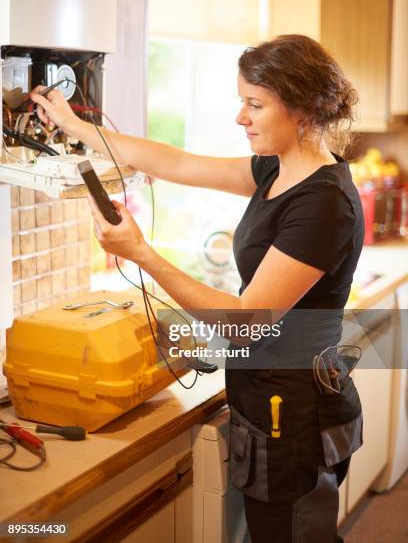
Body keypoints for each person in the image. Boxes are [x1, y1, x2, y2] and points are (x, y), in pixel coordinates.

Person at [31, 34, 364, 542]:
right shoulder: (278, 170)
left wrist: (141, 253)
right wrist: (78, 127)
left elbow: (247, 321)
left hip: (292, 413)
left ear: (302, 109)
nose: (241, 118)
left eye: (254, 104)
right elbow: (177, 163)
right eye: (241, 102)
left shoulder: (322, 202)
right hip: (268, 397)